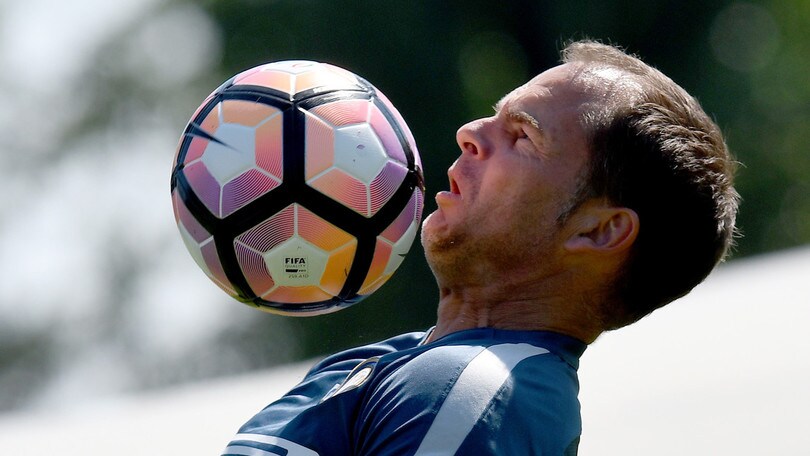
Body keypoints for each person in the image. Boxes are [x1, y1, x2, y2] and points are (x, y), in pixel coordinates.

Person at [221, 40, 739, 455]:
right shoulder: (411, 365)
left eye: (523, 136)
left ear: (598, 231)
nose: (469, 132)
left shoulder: (473, 391)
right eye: (493, 116)